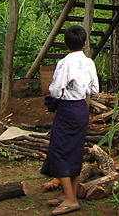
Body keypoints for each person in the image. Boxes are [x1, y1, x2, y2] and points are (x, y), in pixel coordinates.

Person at [41, 25, 99, 215]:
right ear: (85, 43)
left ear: (66, 43)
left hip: (67, 110)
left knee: (58, 151)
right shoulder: (89, 62)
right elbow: (95, 90)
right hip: (82, 109)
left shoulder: (64, 63)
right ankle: (70, 193)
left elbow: (55, 90)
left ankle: (70, 199)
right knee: (74, 150)